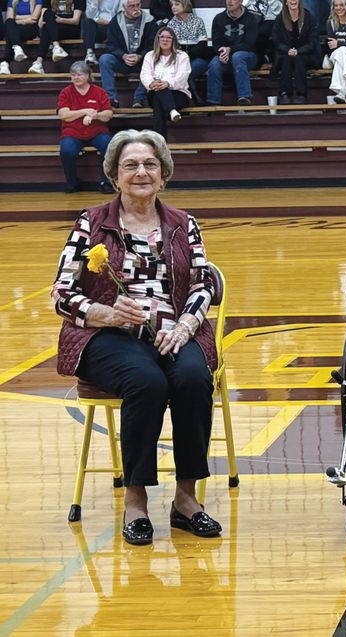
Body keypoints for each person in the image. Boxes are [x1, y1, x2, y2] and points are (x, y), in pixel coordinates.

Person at [51, 129, 223, 546]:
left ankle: (186, 499)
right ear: (114, 175)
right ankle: (136, 500)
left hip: (174, 332)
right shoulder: (91, 222)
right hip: (107, 336)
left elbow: (204, 285)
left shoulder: (185, 223)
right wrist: (104, 312)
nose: (141, 172)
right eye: (130, 165)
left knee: (192, 379)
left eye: (150, 165)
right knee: (146, 382)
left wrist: (184, 326)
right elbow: (61, 291)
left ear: (164, 174)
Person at [57, 61, 114, 193]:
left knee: (110, 145)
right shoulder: (66, 92)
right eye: (73, 75)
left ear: (88, 76)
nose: (76, 78)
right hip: (73, 133)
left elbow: (108, 114)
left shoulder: (99, 92)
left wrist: (96, 115)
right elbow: (64, 115)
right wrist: (85, 111)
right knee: (67, 150)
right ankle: (72, 183)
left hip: (97, 132)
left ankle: (105, 182)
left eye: (79, 74)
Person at [98, 0, 154, 107]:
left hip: (142, 61)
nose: (136, 8)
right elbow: (110, 46)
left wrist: (140, 56)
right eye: (132, 6)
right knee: (104, 59)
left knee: (154, 58)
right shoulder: (116, 21)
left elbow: (152, 45)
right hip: (122, 60)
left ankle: (139, 99)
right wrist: (123, 55)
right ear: (124, 7)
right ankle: (110, 98)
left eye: (138, 5)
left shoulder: (149, 20)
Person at [140, 26, 190, 137]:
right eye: (162, 37)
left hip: (178, 94)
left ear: (173, 40)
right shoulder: (150, 55)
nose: (165, 40)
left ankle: (159, 142)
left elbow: (182, 76)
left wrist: (167, 83)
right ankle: (172, 111)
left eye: (168, 37)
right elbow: (145, 74)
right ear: (157, 39)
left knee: (159, 101)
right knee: (159, 94)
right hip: (154, 91)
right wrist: (152, 83)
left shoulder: (182, 56)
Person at [207, 0, 260, 106]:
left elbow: (249, 44)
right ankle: (213, 102)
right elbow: (216, 44)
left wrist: (230, 49)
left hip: (248, 56)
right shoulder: (218, 18)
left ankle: (244, 96)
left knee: (238, 56)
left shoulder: (251, 18)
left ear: (241, 1)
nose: (229, 2)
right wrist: (222, 52)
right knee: (214, 63)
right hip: (225, 55)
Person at [272, 0, 319, 104]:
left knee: (298, 58)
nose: (293, 1)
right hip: (286, 54)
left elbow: (313, 41)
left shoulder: (308, 18)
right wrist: (287, 50)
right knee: (287, 58)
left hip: (306, 55)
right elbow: (276, 40)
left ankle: (301, 94)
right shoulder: (280, 19)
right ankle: (285, 93)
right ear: (286, 2)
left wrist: (299, 51)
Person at [167, 0, 209, 102]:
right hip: (179, 60)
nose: (173, 7)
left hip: (197, 58)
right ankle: (194, 99)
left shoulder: (197, 21)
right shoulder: (171, 24)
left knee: (186, 71)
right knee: (180, 71)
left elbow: (202, 45)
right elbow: (171, 47)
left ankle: (189, 100)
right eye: (172, 5)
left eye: (177, 4)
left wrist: (187, 56)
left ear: (185, 5)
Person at [3, 0, 48, 75]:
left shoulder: (37, 1)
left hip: (31, 29)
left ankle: (5, 62)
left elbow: (34, 18)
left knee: (10, 32)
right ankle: (17, 47)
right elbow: (9, 18)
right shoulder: (12, 1)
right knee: (9, 24)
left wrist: (17, 19)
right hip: (16, 29)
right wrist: (27, 19)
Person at [41, 0, 86, 67]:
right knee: (47, 15)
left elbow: (76, 21)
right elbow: (42, 17)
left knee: (47, 29)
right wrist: (41, 22)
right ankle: (56, 47)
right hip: (55, 30)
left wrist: (61, 20)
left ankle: (39, 62)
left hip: (71, 28)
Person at [81, 0, 122, 66]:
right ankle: (90, 54)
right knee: (88, 22)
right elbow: (89, 15)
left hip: (113, 25)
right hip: (96, 26)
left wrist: (109, 22)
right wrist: (95, 3)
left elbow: (121, 14)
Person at [244, 0, 282, 68]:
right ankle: (260, 60)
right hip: (255, 17)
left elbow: (277, 11)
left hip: (271, 18)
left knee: (260, 33)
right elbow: (247, 6)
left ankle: (270, 60)